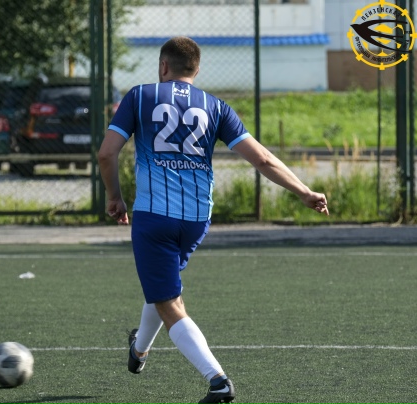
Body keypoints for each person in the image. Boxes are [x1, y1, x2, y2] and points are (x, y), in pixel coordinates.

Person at [97, 36, 329, 404]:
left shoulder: (140, 96)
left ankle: (217, 380)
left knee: (169, 302)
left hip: (154, 216)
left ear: (163, 66)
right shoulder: (216, 106)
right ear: (197, 69)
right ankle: (139, 349)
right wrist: (303, 191)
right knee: (164, 288)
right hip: (196, 220)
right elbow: (263, 158)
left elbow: (107, 154)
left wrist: (115, 197)